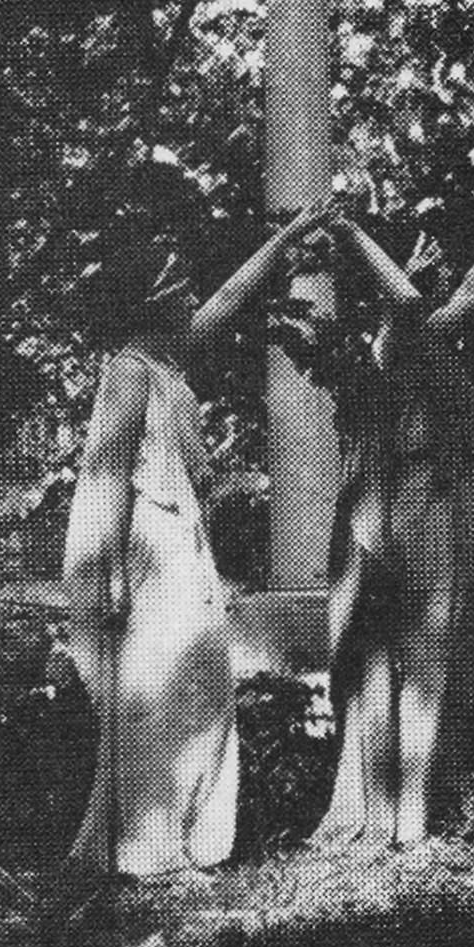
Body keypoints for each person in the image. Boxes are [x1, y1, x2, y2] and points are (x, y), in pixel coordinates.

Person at [63, 198, 333, 875]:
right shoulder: (128, 371)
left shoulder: (169, 360)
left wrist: (290, 238)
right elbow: (107, 482)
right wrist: (114, 581)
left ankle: (195, 839)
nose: (190, 292)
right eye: (177, 284)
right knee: (158, 699)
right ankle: (151, 853)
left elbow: (234, 293)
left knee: (202, 688)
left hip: (185, 549)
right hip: (147, 558)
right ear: (150, 300)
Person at [312, 198, 474, 847]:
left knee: (440, 654)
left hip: (444, 508)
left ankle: (425, 804)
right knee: (407, 659)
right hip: (397, 515)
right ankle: (400, 816)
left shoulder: (437, 334)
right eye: (420, 258)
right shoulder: (383, 342)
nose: (437, 269)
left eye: (438, 260)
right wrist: (355, 232)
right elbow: (405, 300)